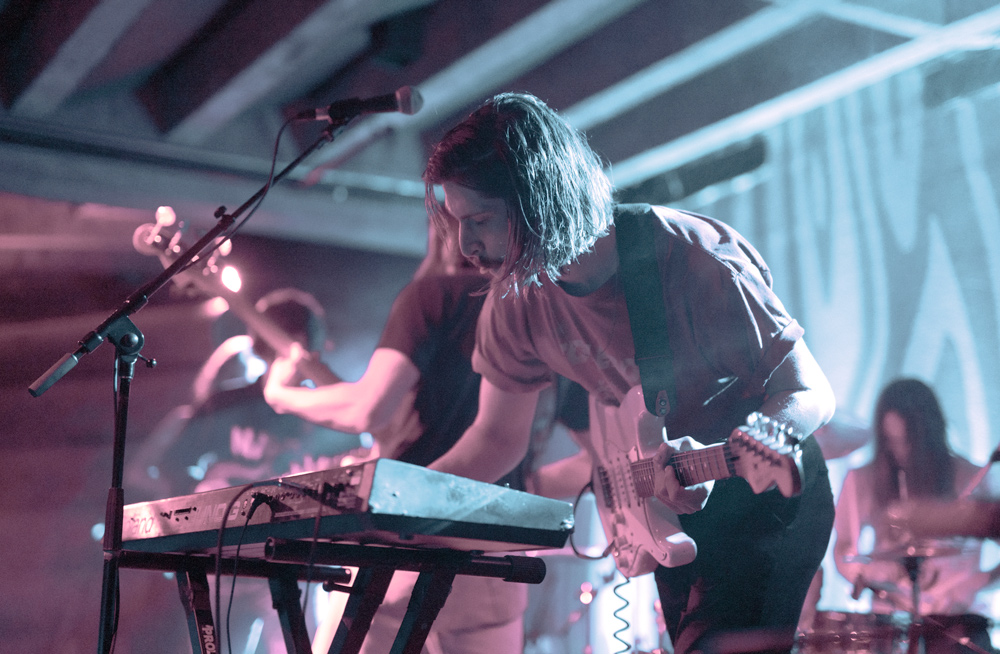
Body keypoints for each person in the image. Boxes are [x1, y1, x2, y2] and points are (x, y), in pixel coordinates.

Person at [420, 92, 837, 654]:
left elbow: (810, 389)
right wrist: (404, 500)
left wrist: (758, 439)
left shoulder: (691, 259)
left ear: (538, 199)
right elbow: (495, 440)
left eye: (480, 221)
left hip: (761, 493)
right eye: (457, 224)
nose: (465, 246)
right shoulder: (516, 299)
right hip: (664, 500)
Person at [263, 221, 541, 654]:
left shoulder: (432, 298)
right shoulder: (538, 312)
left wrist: (281, 395)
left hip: (406, 548)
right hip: (494, 550)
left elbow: (367, 409)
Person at [833, 378, 999, 654]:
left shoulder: (972, 477)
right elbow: (844, 550)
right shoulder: (862, 479)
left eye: (908, 441)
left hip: (959, 620)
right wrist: (874, 577)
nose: (901, 453)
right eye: (890, 442)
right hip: (890, 618)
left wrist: (978, 581)